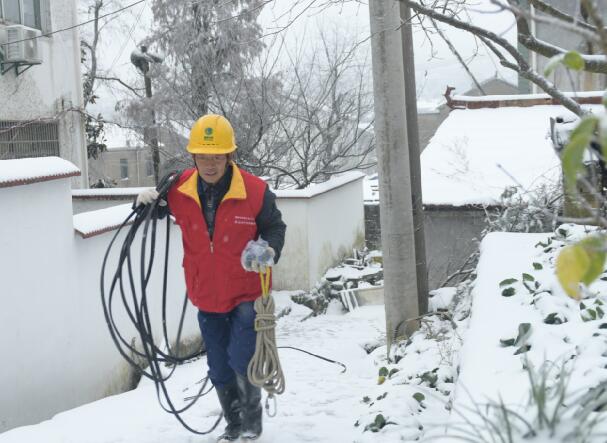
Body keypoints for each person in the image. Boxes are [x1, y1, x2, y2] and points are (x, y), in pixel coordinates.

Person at [136, 114, 287, 441]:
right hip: (207, 295)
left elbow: (275, 228)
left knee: (242, 358)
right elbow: (157, 210)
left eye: (216, 155)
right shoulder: (179, 188)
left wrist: (267, 248)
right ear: (194, 156)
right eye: (203, 156)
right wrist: (144, 202)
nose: (209, 163)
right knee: (218, 367)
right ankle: (233, 425)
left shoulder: (255, 191)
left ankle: (250, 424)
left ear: (229, 156)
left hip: (247, 293)